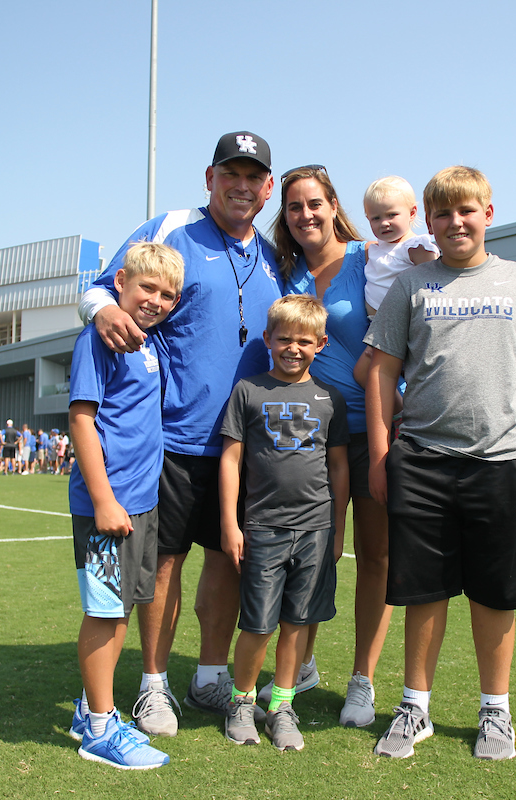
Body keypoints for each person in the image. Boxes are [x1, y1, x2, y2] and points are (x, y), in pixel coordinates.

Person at [78, 131, 282, 737]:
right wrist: (102, 310)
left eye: (253, 177)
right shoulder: (171, 227)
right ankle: (153, 686)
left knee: (228, 562)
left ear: (267, 187)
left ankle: (210, 676)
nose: (241, 186)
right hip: (170, 441)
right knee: (163, 568)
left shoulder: (274, 254)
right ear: (210, 178)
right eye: (230, 174)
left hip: (242, 448)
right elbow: (100, 287)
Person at [364, 166, 516, 761]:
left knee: (495, 594)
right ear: (427, 221)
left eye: (467, 211)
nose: (456, 222)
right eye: (444, 213)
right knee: (422, 592)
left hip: (501, 461)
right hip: (423, 461)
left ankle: (494, 712)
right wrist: (381, 454)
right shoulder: (411, 286)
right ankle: (414, 709)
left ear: (488, 213)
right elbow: (380, 371)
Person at [275, 165, 392, 726]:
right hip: (305, 438)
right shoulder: (283, 269)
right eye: (295, 207)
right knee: (313, 555)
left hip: (370, 431)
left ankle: (363, 682)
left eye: (314, 203)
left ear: (333, 204)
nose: (306, 215)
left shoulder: (370, 257)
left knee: (376, 557)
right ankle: (302, 665)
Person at [66, 241, 183, 770]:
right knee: (105, 612)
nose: (156, 300)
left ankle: (90, 707)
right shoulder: (101, 338)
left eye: (168, 294)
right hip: (110, 507)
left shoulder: (148, 343)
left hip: (141, 504)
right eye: (147, 289)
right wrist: (103, 499)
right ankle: (99, 730)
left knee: (123, 609)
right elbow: (82, 420)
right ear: (120, 285)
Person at [218, 295, 349, 751]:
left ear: (322, 344)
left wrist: (338, 526)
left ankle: (283, 706)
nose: (294, 348)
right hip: (263, 528)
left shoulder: (330, 398)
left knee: (297, 622)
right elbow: (231, 460)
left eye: (305, 341)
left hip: (315, 529)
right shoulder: (248, 391)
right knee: (257, 624)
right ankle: (241, 702)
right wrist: (230, 525)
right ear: (267, 339)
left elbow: (338, 469)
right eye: (285, 339)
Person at [361, 176, 439, 318]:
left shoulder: (415, 247)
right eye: (376, 218)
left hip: (405, 322)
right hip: (376, 326)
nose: (384, 223)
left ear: (412, 213)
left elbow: (433, 284)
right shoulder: (374, 249)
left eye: (391, 215)